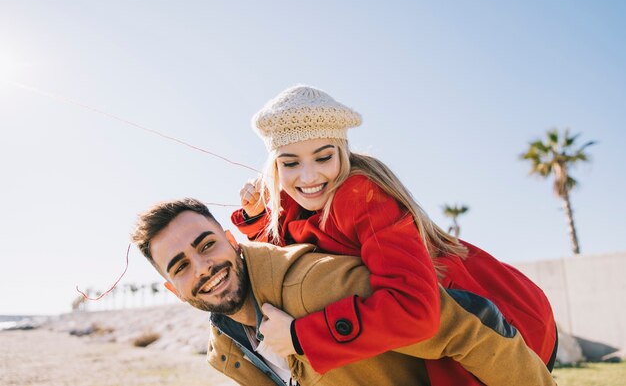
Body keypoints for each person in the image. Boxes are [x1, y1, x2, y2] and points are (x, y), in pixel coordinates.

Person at [233, 84, 558, 385]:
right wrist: (257, 216)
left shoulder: (361, 196)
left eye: (323, 157)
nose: (308, 175)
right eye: (290, 163)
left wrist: (301, 337)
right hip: (451, 332)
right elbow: (296, 262)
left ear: (343, 152)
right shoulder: (298, 205)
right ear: (274, 166)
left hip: (498, 320)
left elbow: (415, 309)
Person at [132, 198, 555, 386]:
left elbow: (466, 323)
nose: (203, 267)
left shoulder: (312, 284)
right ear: (173, 289)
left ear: (230, 239)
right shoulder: (223, 346)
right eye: (182, 265)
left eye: (206, 245)